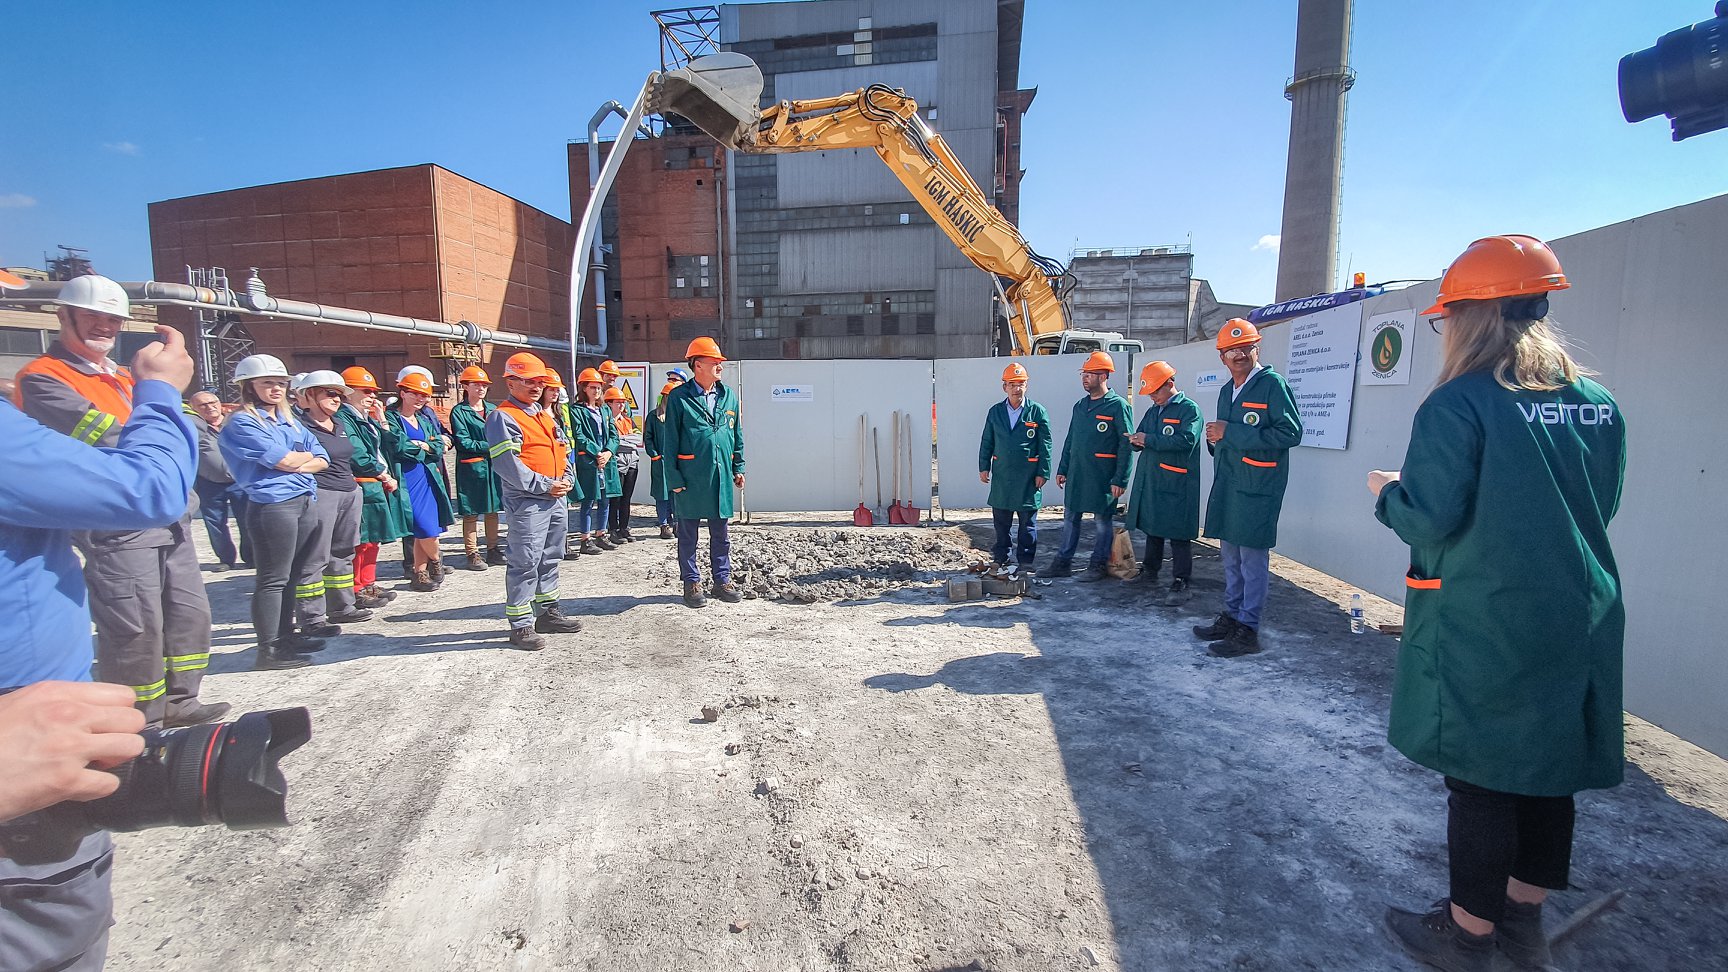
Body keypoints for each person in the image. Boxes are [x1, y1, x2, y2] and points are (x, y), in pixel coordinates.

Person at [1368, 236, 1624, 972]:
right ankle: (1522, 920)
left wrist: (1389, 493)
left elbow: (1430, 518)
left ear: (1471, 318)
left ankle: (1468, 933)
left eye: (1446, 317)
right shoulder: (1597, 406)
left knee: (1481, 777)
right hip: (1577, 612)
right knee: (1547, 766)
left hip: (1490, 615)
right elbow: (1599, 506)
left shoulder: (1460, 403)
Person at [0, 318, 200, 972]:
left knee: (174, 621)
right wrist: (159, 394)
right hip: (26, 776)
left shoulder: (93, 379)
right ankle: (147, 716)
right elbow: (145, 486)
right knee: (136, 627)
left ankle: (167, 704)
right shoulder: (49, 380)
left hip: (39, 747)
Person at [14, 274, 224, 728]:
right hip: (117, 522)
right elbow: (108, 439)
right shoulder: (43, 378)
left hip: (169, 512)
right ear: (63, 316)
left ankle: (181, 700)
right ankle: (138, 720)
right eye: (92, 315)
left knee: (188, 612)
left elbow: (186, 433)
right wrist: (160, 432)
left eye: (113, 319)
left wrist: (162, 432)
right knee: (134, 625)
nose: (104, 326)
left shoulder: (130, 377)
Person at [1193, 319, 1304, 658]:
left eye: (1245, 348)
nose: (1239, 354)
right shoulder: (1227, 390)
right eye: (1231, 350)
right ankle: (1232, 615)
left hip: (1258, 486)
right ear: (1222, 357)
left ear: (1257, 348)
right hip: (1229, 484)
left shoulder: (1272, 385)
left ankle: (1248, 629)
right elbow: (1225, 436)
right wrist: (1215, 441)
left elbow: (1290, 433)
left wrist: (1231, 432)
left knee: (1252, 560)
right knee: (1230, 557)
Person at [219, 354, 329, 670]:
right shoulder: (243, 422)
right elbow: (284, 460)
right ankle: (269, 649)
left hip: (303, 499)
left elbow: (322, 457)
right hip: (273, 505)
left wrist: (297, 462)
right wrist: (298, 460)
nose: (277, 388)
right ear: (248, 386)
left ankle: (286, 637)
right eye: (268, 382)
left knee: (292, 575)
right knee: (273, 578)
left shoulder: (288, 420)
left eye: (281, 383)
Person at [484, 352, 584, 650]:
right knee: (525, 561)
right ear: (510, 382)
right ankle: (521, 624)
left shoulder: (542, 415)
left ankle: (547, 613)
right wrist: (546, 485)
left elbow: (563, 450)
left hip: (555, 498)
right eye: (529, 381)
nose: (537, 387)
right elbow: (508, 464)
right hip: (528, 501)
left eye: (540, 381)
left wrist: (567, 479)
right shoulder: (503, 417)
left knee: (551, 556)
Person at [662, 336, 745, 608]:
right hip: (690, 477)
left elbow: (736, 434)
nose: (720, 366)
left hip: (720, 476)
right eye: (715, 362)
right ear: (698, 365)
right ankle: (691, 582)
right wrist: (674, 478)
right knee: (688, 535)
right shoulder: (679, 398)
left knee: (721, 534)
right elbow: (670, 441)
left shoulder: (728, 395)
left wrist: (738, 466)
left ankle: (722, 580)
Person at [294, 370, 373, 625]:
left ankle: (342, 607)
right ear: (310, 395)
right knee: (315, 556)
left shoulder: (338, 424)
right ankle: (312, 616)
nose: (337, 398)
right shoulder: (299, 427)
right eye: (330, 393)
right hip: (321, 493)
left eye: (340, 394)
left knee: (343, 552)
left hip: (348, 491)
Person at [1125, 360, 1203, 606]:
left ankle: (1181, 580)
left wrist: (1149, 440)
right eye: (1149, 393)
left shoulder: (1189, 410)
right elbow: (1143, 435)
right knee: (1153, 527)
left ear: (1170, 383)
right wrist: (1135, 441)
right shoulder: (1153, 411)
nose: (1153, 397)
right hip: (1154, 479)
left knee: (1179, 533)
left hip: (1177, 481)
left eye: (1155, 391)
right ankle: (1150, 571)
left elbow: (1186, 440)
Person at [1050, 351, 1133, 581]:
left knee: (1102, 521)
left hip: (1102, 476)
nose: (1085, 378)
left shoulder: (1118, 406)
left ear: (1103, 376)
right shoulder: (1080, 406)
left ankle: (1098, 565)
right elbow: (1071, 439)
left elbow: (1126, 445)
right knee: (1070, 517)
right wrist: (1063, 468)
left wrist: (1120, 479)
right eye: (1084, 374)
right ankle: (1063, 562)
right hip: (1078, 473)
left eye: (1090, 374)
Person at [336, 366, 409, 608]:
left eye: (374, 392)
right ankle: (356, 587)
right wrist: (382, 473)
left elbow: (393, 444)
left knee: (373, 538)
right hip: (363, 483)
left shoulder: (365, 418)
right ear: (348, 392)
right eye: (366, 391)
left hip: (375, 484)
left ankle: (368, 582)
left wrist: (382, 420)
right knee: (361, 539)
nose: (372, 396)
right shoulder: (344, 418)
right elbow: (357, 453)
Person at [977, 362, 1052, 574]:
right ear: (1005, 387)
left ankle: (1025, 561)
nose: (1016, 389)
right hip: (1003, 475)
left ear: (1026, 385)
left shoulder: (1037, 412)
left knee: (1027, 523)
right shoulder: (995, 412)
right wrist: (984, 466)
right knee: (1001, 521)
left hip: (1028, 476)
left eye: (1020, 384)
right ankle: (1001, 556)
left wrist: (1043, 472)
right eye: (1012, 384)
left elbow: (1045, 444)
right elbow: (987, 441)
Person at [388, 370, 455, 591]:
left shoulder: (423, 419)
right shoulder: (391, 418)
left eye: (424, 395)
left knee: (425, 529)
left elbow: (438, 447)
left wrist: (424, 446)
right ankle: (436, 560)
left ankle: (419, 573)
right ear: (402, 392)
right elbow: (399, 447)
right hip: (406, 478)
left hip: (427, 477)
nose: (420, 398)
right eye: (415, 393)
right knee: (424, 527)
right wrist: (425, 448)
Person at [186, 389, 251, 569]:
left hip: (240, 481)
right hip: (209, 482)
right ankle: (226, 559)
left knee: (247, 520)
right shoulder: (193, 428)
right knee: (215, 523)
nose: (209, 407)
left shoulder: (234, 423)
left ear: (219, 404)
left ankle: (251, 557)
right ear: (194, 408)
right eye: (203, 405)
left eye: (213, 403)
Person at [450, 365, 506, 570]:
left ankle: (493, 548)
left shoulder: (492, 409)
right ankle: (472, 552)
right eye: (476, 384)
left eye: (484, 385)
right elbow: (463, 442)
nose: (481, 388)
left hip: (492, 467)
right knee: (471, 511)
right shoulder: (459, 412)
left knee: (493, 509)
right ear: (465, 386)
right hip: (471, 468)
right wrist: (492, 447)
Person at [568, 368, 617, 555]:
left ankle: (601, 534)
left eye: (598, 387)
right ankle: (585, 539)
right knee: (588, 501)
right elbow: (579, 435)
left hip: (606, 461)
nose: (596, 391)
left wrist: (608, 453)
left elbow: (613, 434)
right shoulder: (576, 410)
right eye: (592, 387)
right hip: (589, 461)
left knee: (605, 499)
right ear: (584, 388)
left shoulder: (604, 409)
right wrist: (598, 453)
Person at [642, 381, 678, 539]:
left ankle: (677, 524)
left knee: (676, 494)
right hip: (661, 461)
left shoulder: (679, 415)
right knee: (662, 495)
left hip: (676, 462)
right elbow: (648, 438)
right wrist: (655, 455)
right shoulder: (654, 416)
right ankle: (664, 525)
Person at [606, 386, 641, 543]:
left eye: (623, 402)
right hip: (617, 461)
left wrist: (622, 439)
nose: (622, 405)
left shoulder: (628, 420)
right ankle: (612, 529)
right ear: (609, 403)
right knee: (615, 498)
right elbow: (612, 442)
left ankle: (624, 528)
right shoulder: (607, 421)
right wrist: (625, 439)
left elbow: (638, 438)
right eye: (618, 402)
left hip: (632, 460)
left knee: (627, 497)